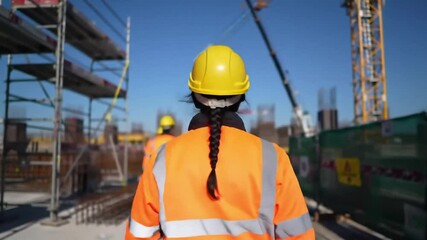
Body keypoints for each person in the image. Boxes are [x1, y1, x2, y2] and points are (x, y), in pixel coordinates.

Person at [125, 45, 314, 239]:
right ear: (241, 96)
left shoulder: (162, 159)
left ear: (194, 96)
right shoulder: (273, 158)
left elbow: (139, 235)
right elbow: (299, 235)